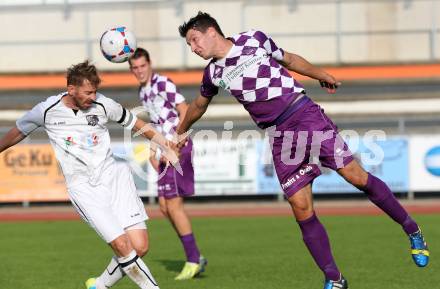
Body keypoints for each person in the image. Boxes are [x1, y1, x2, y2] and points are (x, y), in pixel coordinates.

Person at [176, 12, 429, 289]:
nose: (194, 48)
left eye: (194, 40)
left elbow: (290, 59)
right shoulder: (213, 73)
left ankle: (412, 229)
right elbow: (199, 105)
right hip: (279, 135)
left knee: (355, 176)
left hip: (304, 115)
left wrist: (322, 75)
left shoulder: (253, 39)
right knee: (300, 206)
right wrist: (180, 131)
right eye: (190, 45)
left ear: (211, 31)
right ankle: (334, 278)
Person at [0, 61, 180, 289]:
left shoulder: (104, 105)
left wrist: (165, 144)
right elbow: (18, 131)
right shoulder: (47, 110)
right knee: (122, 246)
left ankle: (99, 286)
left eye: (95, 91)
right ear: (71, 89)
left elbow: (136, 124)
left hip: (114, 178)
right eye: (87, 92)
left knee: (140, 246)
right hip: (84, 187)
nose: (92, 97)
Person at [128, 48, 207, 280]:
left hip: (176, 147)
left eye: (142, 66)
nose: (139, 71)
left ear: (149, 64)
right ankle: (195, 256)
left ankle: (193, 260)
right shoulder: (144, 91)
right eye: (135, 67)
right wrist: (154, 149)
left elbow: (184, 110)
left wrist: (174, 144)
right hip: (163, 149)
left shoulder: (162, 83)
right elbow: (156, 121)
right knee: (164, 207)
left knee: (173, 205)